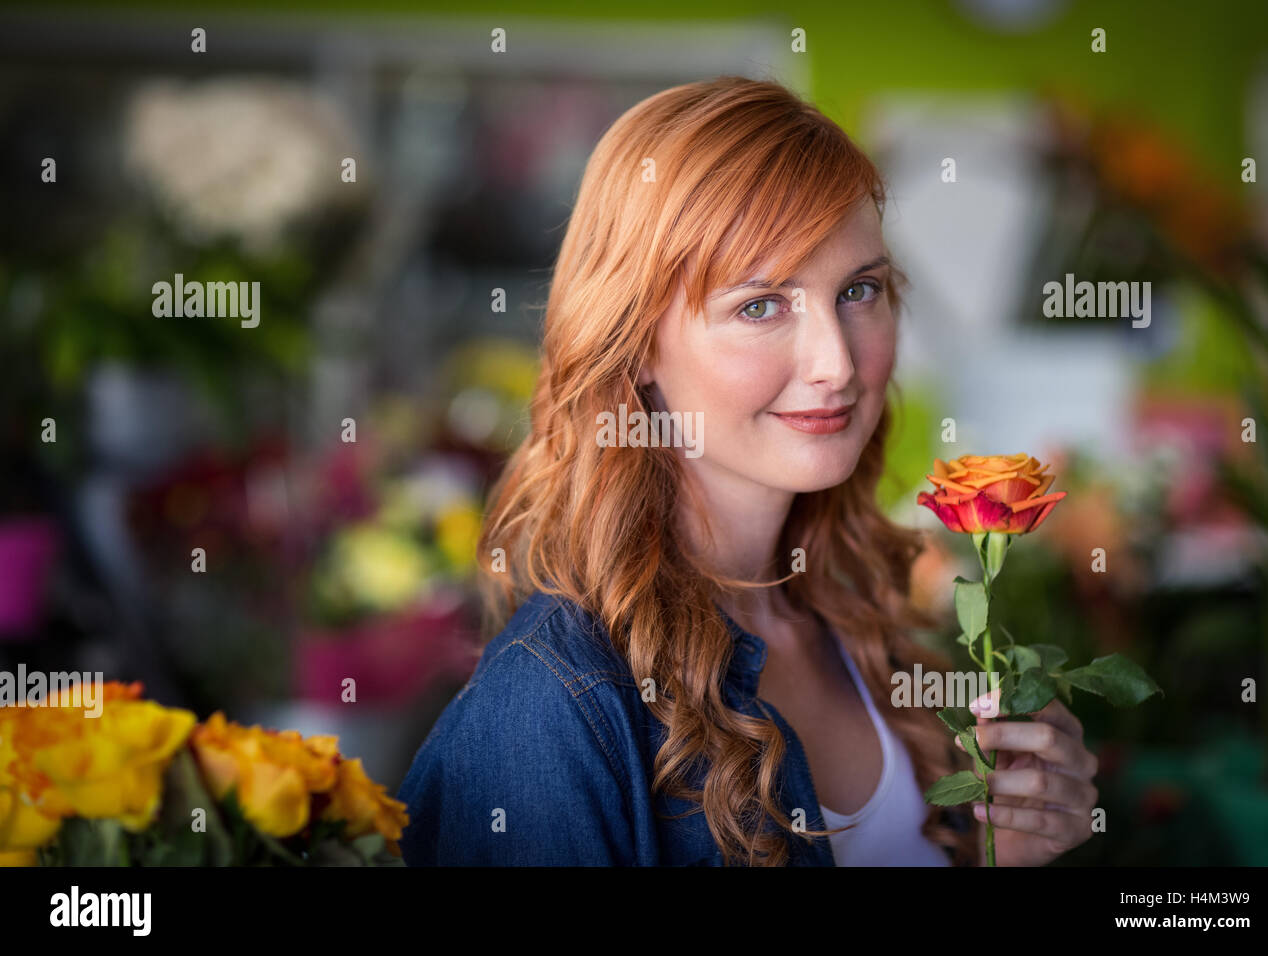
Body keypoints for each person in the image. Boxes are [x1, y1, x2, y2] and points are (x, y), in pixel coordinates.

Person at [397, 74, 1099, 866]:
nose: (836, 363)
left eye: (859, 290)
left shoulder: (865, 620)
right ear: (633, 344)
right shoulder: (552, 703)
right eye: (760, 305)